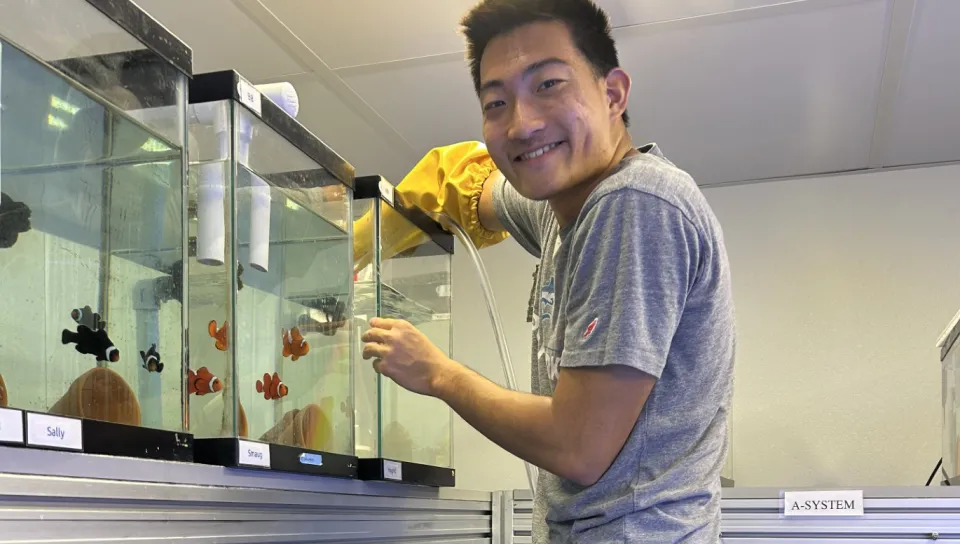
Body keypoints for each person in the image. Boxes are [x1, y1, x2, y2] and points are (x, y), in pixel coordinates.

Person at [357, 0, 736, 541]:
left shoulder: (635, 200)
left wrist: (438, 373)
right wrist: (350, 246)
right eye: (496, 102)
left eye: (549, 85)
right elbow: (467, 189)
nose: (522, 124)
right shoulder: (563, 214)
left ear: (613, 94)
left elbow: (578, 447)